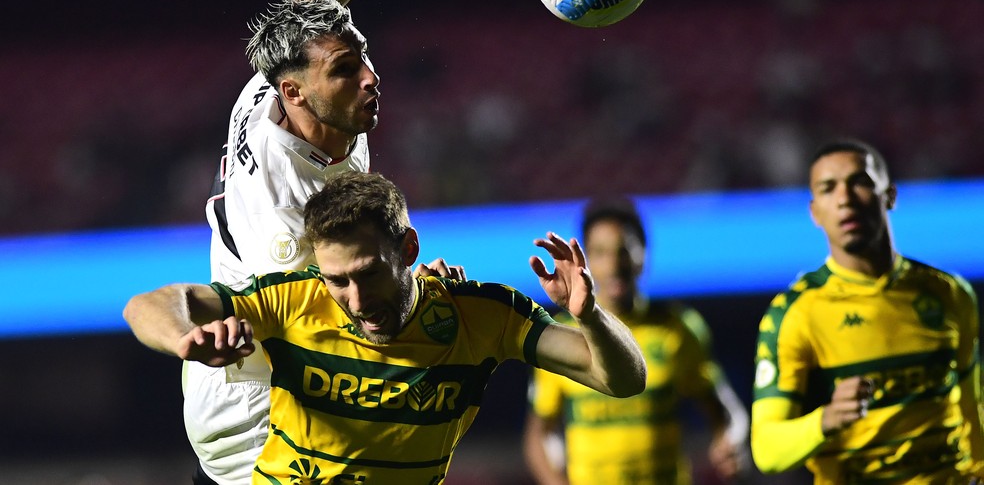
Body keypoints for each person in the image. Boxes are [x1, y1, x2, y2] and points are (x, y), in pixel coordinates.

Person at [185, 0, 461, 485]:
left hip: (297, 398)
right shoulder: (287, 212)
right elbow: (331, 318)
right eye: (347, 71)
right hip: (260, 416)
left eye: (363, 56)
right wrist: (419, 289)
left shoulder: (280, 81)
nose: (371, 79)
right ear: (297, 94)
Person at [124, 171, 647, 484]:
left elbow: (625, 379)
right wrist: (182, 338)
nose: (355, 299)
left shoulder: (483, 316)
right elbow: (149, 304)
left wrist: (590, 316)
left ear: (409, 251)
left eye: (368, 274)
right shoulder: (295, 299)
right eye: (336, 281)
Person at [751, 138, 984, 483]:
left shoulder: (949, 293)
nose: (844, 199)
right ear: (815, 212)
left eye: (859, 181)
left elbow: (971, 407)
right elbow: (767, 451)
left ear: (889, 196)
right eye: (828, 189)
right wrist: (826, 419)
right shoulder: (795, 313)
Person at [523, 196, 750, 485]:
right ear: (586, 260)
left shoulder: (678, 328)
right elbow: (540, 433)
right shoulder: (561, 336)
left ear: (644, 254)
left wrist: (730, 442)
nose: (614, 264)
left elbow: (725, 411)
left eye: (624, 250)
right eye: (601, 252)